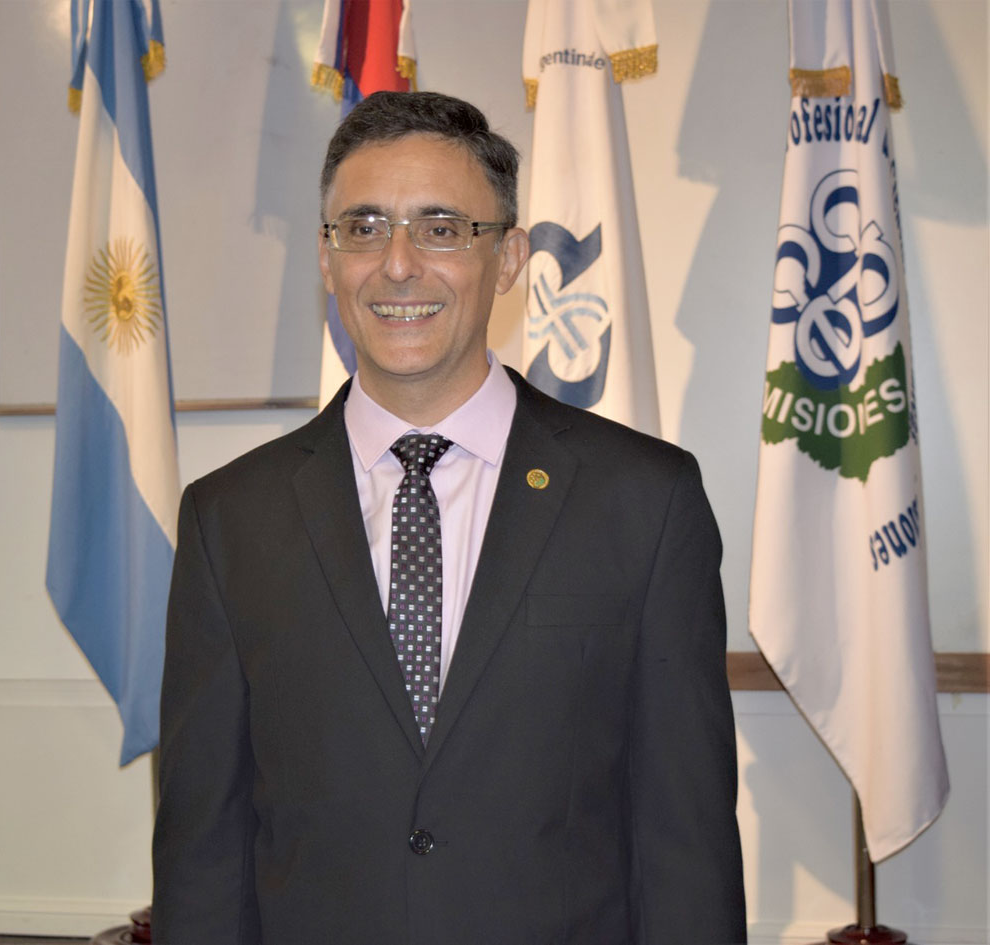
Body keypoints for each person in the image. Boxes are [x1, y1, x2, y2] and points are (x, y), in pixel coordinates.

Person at [151, 90, 746, 945]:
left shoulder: (644, 502)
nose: (397, 264)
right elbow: (204, 858)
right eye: (363, 228)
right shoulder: (229, 521)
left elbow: (685, 848)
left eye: (440, 228)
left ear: (508, 258)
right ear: (326, 257)